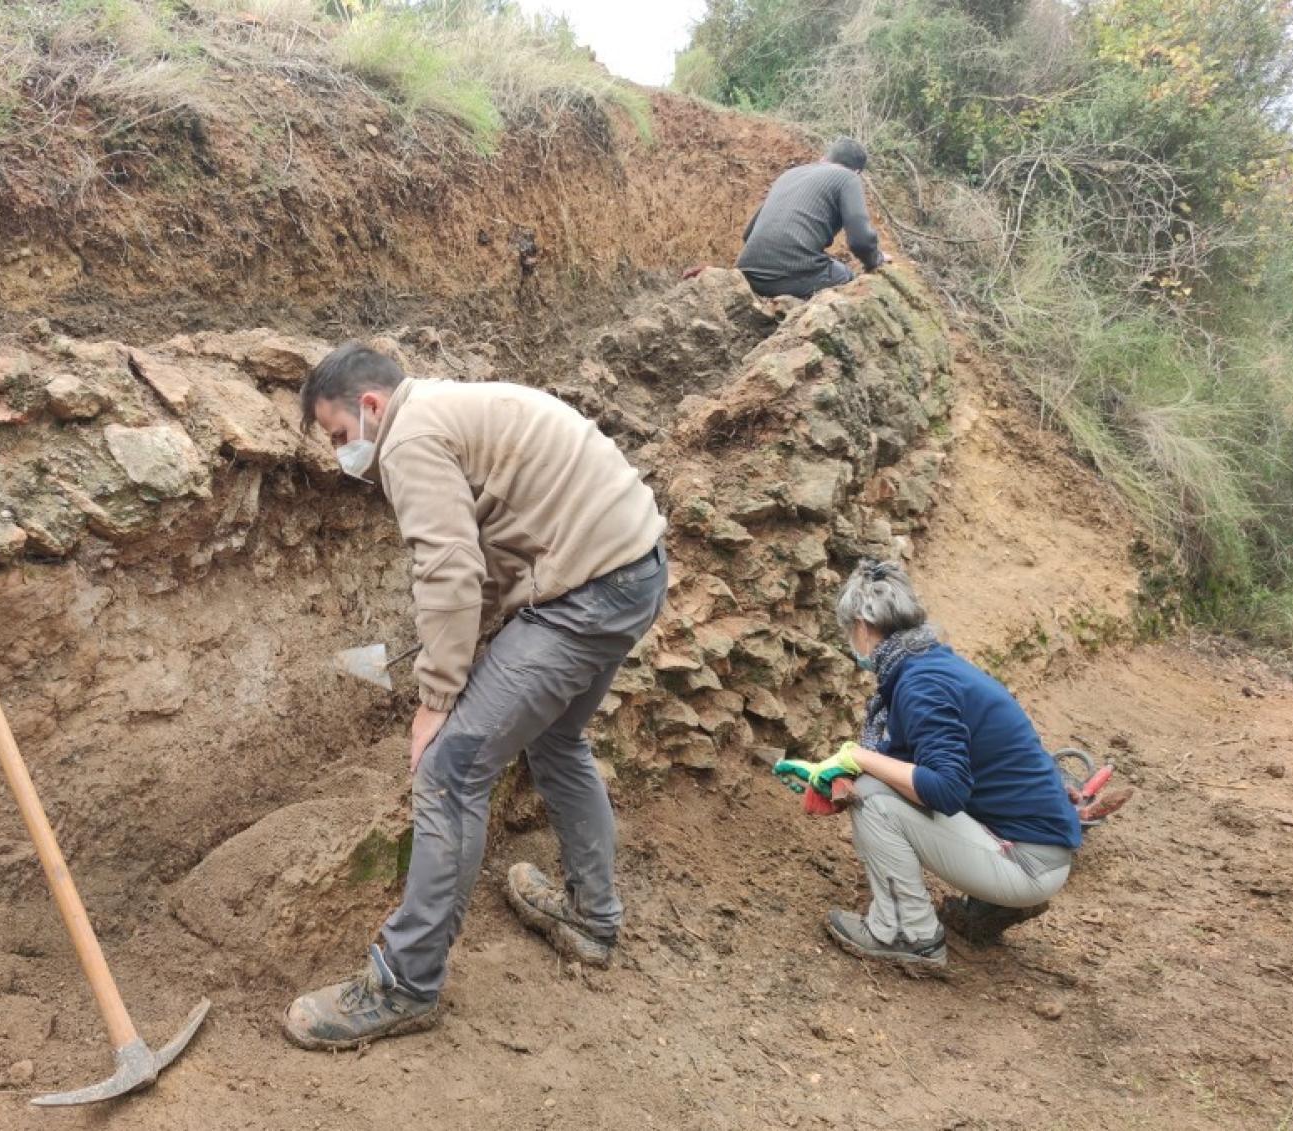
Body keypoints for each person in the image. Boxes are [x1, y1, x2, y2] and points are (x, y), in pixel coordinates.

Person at [284, 342, 668, 1049]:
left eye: (339, 435)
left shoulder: (407, 438)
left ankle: (404, 983)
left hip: (586, 591)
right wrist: (476, 645)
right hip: (633, 569)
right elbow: (487, 564)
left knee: (450, 769)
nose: (344, 452)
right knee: (557, 738)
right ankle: (592, 917)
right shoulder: (449, 409)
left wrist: (436, 699)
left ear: (369, 405)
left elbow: (450, 568)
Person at [773, 561, 1081, 973]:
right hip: (1038, 848)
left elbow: (946, 789)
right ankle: (944, 915)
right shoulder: (931, 665)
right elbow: (909, 761)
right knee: (869, 781)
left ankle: (908, 933)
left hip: (1028, 864)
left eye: (849, 632)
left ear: (863, 626)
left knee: (871, 797)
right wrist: (829, 771)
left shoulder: (921, 685)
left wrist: (859, 759)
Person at [730, 137, 885, 299]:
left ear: (823, 159)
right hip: (791, 277)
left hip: (748, 274)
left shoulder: (789, 174)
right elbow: (861, 241)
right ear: (857, 172)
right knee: (849, 281)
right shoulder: (848, 178)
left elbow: (748, 234)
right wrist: (876, 260)